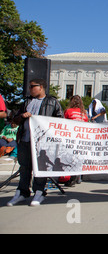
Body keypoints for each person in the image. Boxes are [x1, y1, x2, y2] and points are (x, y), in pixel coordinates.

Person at [7, 78, 64, 207]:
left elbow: (60, 121)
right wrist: (22, 116)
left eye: (33, 86)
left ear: (41, 87)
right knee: (25, 167)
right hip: (25, 139)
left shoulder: (52, 102)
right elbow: (15, 119)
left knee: (40, 167)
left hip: (42, 142)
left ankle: (39, 191)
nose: (30, 89)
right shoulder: (27, 101)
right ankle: (22, 192)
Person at [63, 95, 88, 186]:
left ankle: (71, 179)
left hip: (70, 138)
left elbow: (63, 123)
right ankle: (78, 178)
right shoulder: (84, 113)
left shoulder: (68, 111)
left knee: (69, 158)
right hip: (81, 139)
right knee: (78, 159)